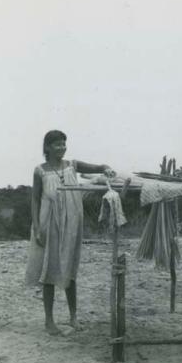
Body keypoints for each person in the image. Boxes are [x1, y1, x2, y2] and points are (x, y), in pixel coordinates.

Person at [26, 130, 115, 335]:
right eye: (57, 144)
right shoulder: (40, 170)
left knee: (70, 267)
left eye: (64, 143)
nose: (62, 147)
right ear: (47, 147)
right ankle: (49, 321)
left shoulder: (72, 166)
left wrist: (106, 168)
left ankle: (73, 317)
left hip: (72, 222)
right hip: (49, 222)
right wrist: (38, 227)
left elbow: (98, 167)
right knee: (49, 269)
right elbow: (35, 199)